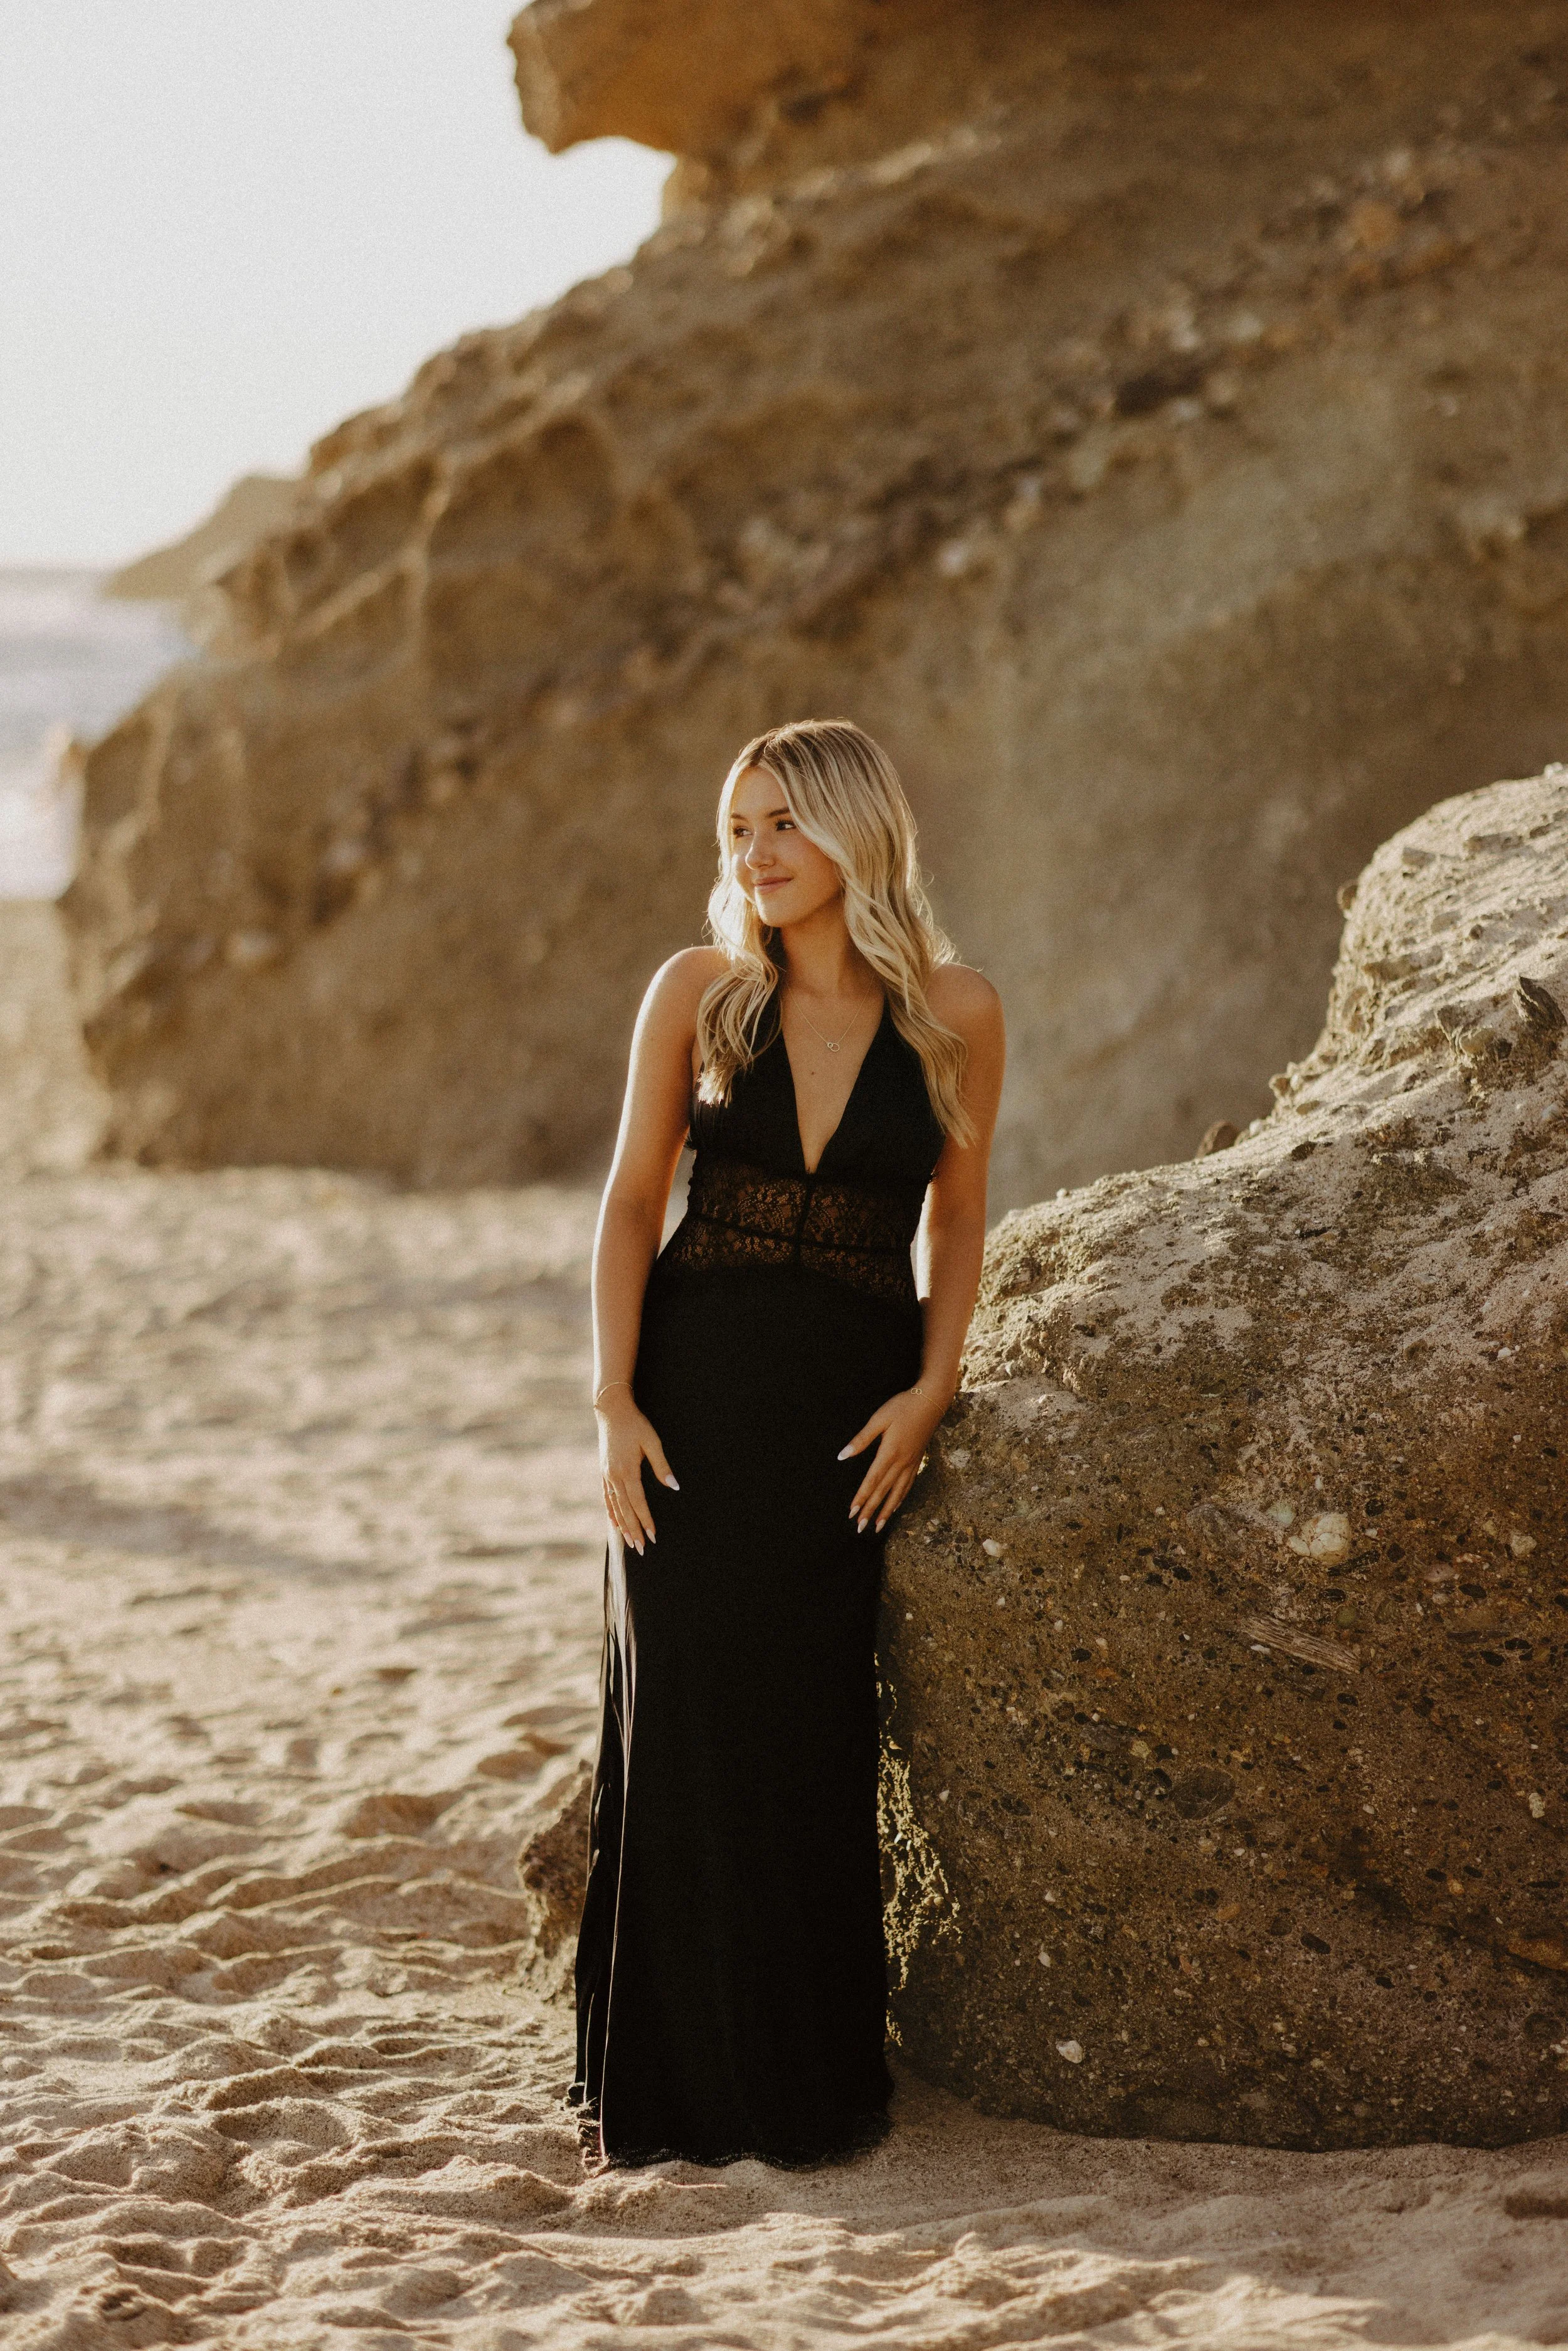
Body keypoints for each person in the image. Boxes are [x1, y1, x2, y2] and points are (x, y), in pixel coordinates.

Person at [571, 718, 1005, 2168]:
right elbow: (632, 1201)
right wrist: (613, 1401)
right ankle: (675, 2087)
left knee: (811, 1731)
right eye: (736, 831)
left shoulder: (955, 1008)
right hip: (691, 1404)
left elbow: (956, 1212)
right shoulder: (699, 992)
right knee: (689, 1718)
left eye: (778, 826)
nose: (752, 856)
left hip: (846, 1417)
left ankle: (807, 2078)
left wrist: (934, 1380)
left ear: (850, 833)